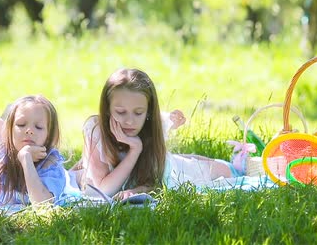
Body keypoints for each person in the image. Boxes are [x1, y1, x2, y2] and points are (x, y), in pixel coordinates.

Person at [72, 68, 240, 200]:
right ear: (107, 109)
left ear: (148, 113)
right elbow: (104, 190)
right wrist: (134, 150)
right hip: (155, 164)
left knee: (225, 171)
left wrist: (138, 147)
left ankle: (239, 163)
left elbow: (154, 182)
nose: (129, 121)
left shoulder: (149, 126)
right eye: (121, 112)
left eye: (138, 113)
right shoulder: (95, 129)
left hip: (169, 168)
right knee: (184, 160)